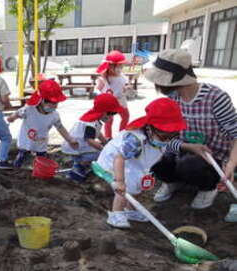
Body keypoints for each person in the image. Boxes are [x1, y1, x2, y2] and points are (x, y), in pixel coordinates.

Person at [144, 49, 237, 209]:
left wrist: (231, 164)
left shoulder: (215, 98)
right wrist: (187, 146)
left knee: (190, 165)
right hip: (182, 150)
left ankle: (208, 187)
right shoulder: (172, 98)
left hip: (210, 157)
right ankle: (172, 181)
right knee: (152, 156)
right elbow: (162, 136)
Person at [97, 98, 186, 229]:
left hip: (135, 162)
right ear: (150, 128)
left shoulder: (159, 137)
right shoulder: (134, 140)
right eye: (164, 137)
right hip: (114, 163)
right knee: (125, 188)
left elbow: (161, 148)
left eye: (173, 136)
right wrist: (119, 181)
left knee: (139, 184)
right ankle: (116, 214)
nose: (168, 140)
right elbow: (119, 158)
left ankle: (131, 210)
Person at [7, 79, 77, 168]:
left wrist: (70, 139)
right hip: (26, 140)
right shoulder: (29, 110)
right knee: (22, 156)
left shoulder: (54, 115)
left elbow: (60, 128)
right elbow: (17, 113)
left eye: (57, 103)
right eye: (53, 103)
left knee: (42, 160)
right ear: (42, 100)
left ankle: (39, 173)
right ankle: (16, 169)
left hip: (41, 142)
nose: (55, 106)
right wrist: (11, 118)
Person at [62, 93, 122, 181]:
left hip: (78, 147)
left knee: (100, 151)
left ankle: (83, 163)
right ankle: (78, 166)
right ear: (103, 112)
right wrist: (103, 149)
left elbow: (98, 134)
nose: (111, 117)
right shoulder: (90, 123)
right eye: (111, 113)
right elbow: (90, 140)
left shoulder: (94, 120)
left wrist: (106, 143)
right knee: (100, 154)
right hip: (75, 149)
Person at [95, 50, 130, 140]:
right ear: (110, 66)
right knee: (109, 120)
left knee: (125, 116)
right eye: (118, 66)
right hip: (110, 103)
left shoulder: (122, 76)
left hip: (121, 100)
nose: (120, 69)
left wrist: (127, 88)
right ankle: (108, 137)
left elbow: (125, 85)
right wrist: (100, 97)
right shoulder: (103, 78)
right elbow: (97, 90)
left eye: (121, 66)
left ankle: (121, 134)